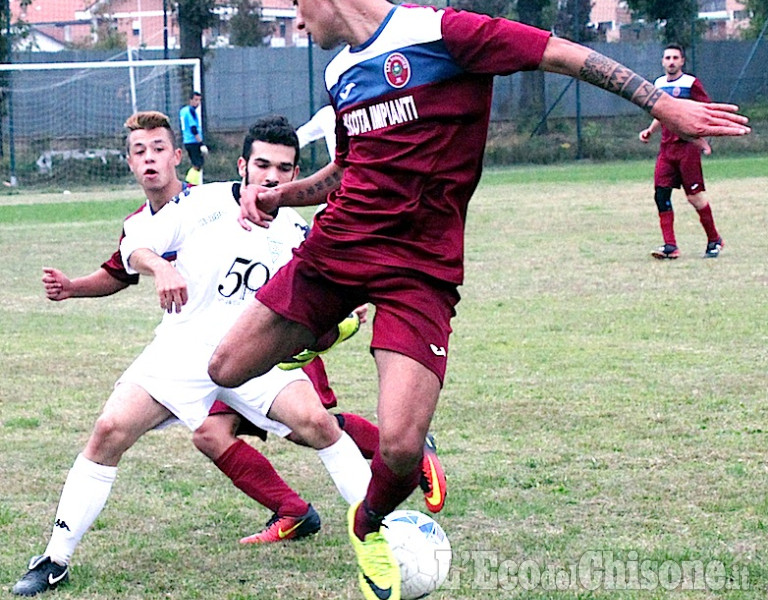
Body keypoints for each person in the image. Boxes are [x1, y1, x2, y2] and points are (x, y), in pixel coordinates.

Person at [206, 4, 750, 599]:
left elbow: (562, 53)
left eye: (297, 7)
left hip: (421, 268)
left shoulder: (442, 34)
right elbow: (347, 168)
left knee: (403, 448)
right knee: (225, 370)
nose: (299, 22)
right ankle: (327, 329)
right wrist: (284, 196)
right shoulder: (340, 74)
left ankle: (366, 526)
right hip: (336, 251)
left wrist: (658, 102)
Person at [12, 112, 375, 598]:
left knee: (320, 425)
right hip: (184, 350)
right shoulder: (199, 204)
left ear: (294, 176)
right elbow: (136, 246)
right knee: (108, 432)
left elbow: (328, 290)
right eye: (262, 164)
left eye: (284, 169)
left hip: (253, 354)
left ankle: (378, 537)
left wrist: (342, 313)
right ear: (243, 165)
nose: (271, 176)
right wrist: (160, 269)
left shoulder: (295, 231)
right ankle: (54, 559)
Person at [639, 44, 724, 259]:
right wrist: (650, 131)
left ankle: (714, 239)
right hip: (667, 149)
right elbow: (661, 113)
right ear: (662, 61)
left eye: (675, 57)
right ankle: (670, 246)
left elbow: (705, 111)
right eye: (667, 57)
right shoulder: (658, 84)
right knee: (661, 194)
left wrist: (702, 141)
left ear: (682, 61)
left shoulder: (690, 83)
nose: (671, 61)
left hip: (687, 147)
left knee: (695, 197)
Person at [179, 91, 207, 186]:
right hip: (193, 141)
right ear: (190, 100)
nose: (198, 102)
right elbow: (193, 128)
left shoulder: (183, 110)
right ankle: (190, 183)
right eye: (195, 100)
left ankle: (192, 182)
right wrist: (201, 143)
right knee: (198, 163)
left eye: (199, 100)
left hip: (187, 140)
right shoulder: (190, 111)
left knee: (197, 163)